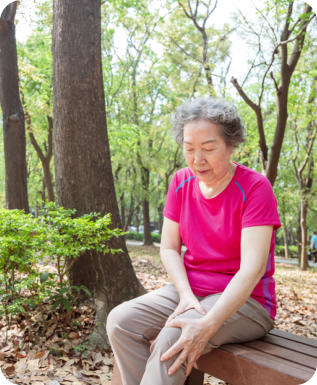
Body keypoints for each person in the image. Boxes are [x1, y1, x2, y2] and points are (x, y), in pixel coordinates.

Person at [106, 96, 281, 385]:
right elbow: (169, 248)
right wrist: (186, 295)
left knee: (174, 338)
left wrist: (206, 325)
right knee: (121, 322)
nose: (197, 159)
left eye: (209, 148)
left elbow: (252, 270)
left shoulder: (255, 188)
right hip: (191, 291)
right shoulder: (180, 182)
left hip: (248, 302)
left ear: (231, 145)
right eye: (189, 149)